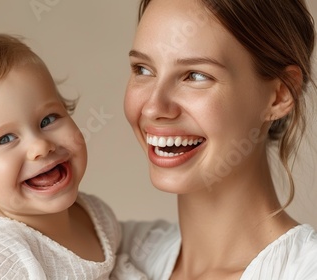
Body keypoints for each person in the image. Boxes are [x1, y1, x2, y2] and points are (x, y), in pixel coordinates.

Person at [117, 0, 317, 279]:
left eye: (196, 76)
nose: (153, 107)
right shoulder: (112, 254)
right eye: (143, 69)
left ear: (280, 94)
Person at [0, 34, 122, 279]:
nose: (40, 146)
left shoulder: (93, 213)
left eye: (48, 119)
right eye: (5, 139)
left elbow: (144, 250)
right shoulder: (0, 257)